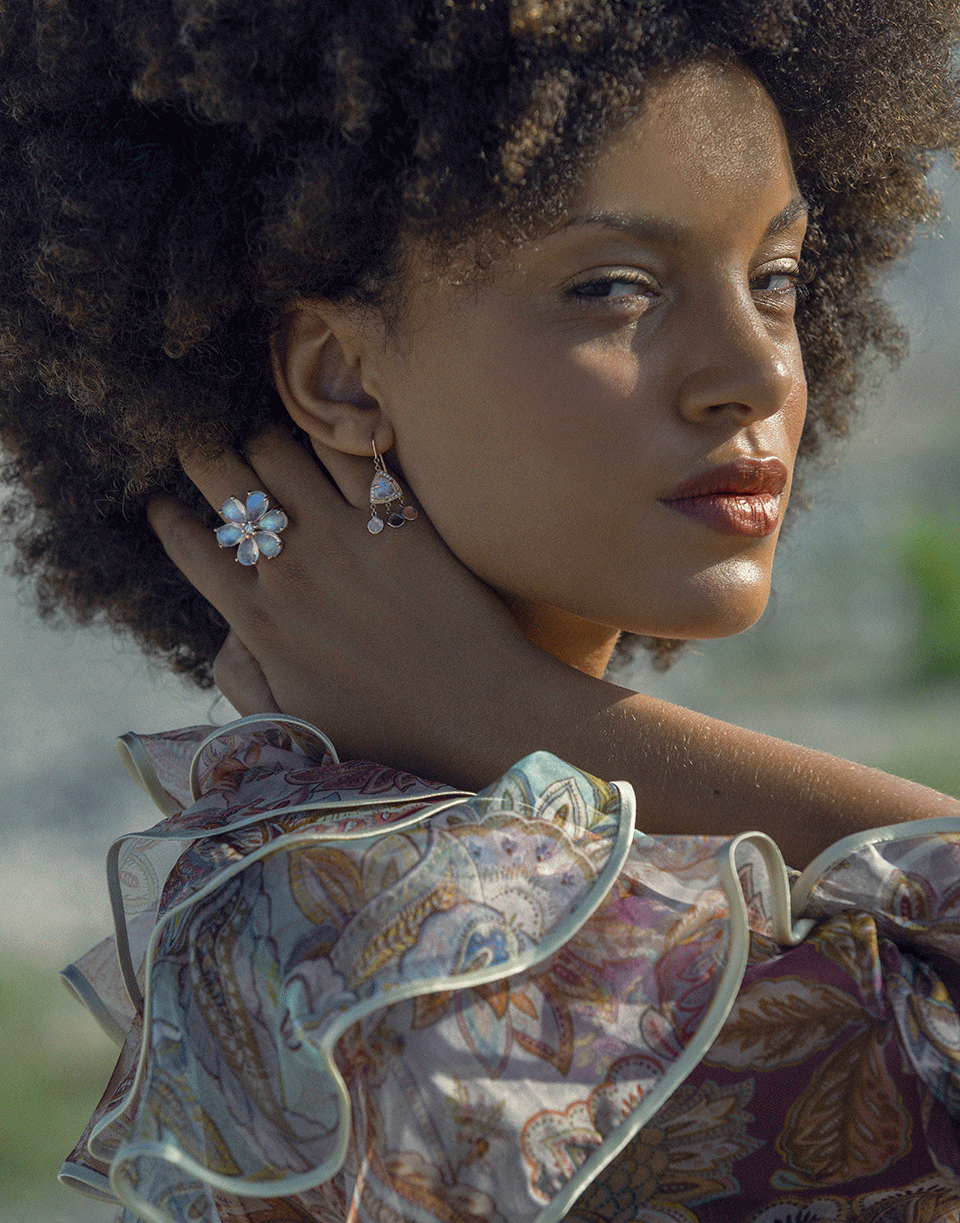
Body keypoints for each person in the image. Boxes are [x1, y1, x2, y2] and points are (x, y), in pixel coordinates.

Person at [2, 1, 960, 1220]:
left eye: (774, 276)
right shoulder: (385, 929)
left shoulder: (503, 845)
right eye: (613, 287)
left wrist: (526, 721)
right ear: (343, 376)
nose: (758, 370)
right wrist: (524, 716)